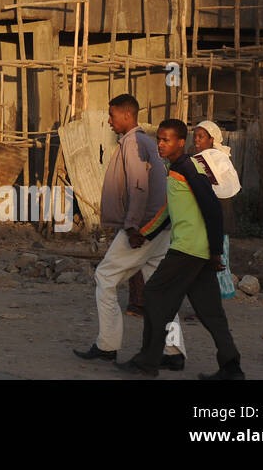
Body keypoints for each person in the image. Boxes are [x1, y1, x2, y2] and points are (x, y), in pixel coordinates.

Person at [118, 119, 244, 380]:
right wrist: (146, 234)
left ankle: (148, 361)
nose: (161, 144)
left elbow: (211, 207)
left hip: (188, 250)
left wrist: (216, 250)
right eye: (159, 139)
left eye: (166, 140)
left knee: (153, 295)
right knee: (210, 311)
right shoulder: (176, 169)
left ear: (180, 142)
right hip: (196, 251)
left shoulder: (189, 167)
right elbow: (169, 209)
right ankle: (232, 368)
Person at [75, 94, 183, 368]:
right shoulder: (144, 141)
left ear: (126, 116)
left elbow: (138, 186)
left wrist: (133, 227)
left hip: (143, 227)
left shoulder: (134, 142)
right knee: (159, 290)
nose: (109, 121)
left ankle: (107, 345)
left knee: (105, 277)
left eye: (111, 116)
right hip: (159, 226)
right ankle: (173, 352)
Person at [192, 120, 235, 298]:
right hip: (204, 215)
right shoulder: (198, 158)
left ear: (212, 139)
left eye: (201, 137)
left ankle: (215, 299)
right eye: (195, 136)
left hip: (219, 215)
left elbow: (223, 188)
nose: (196, 140)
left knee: (218, 258)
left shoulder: (218, 159)